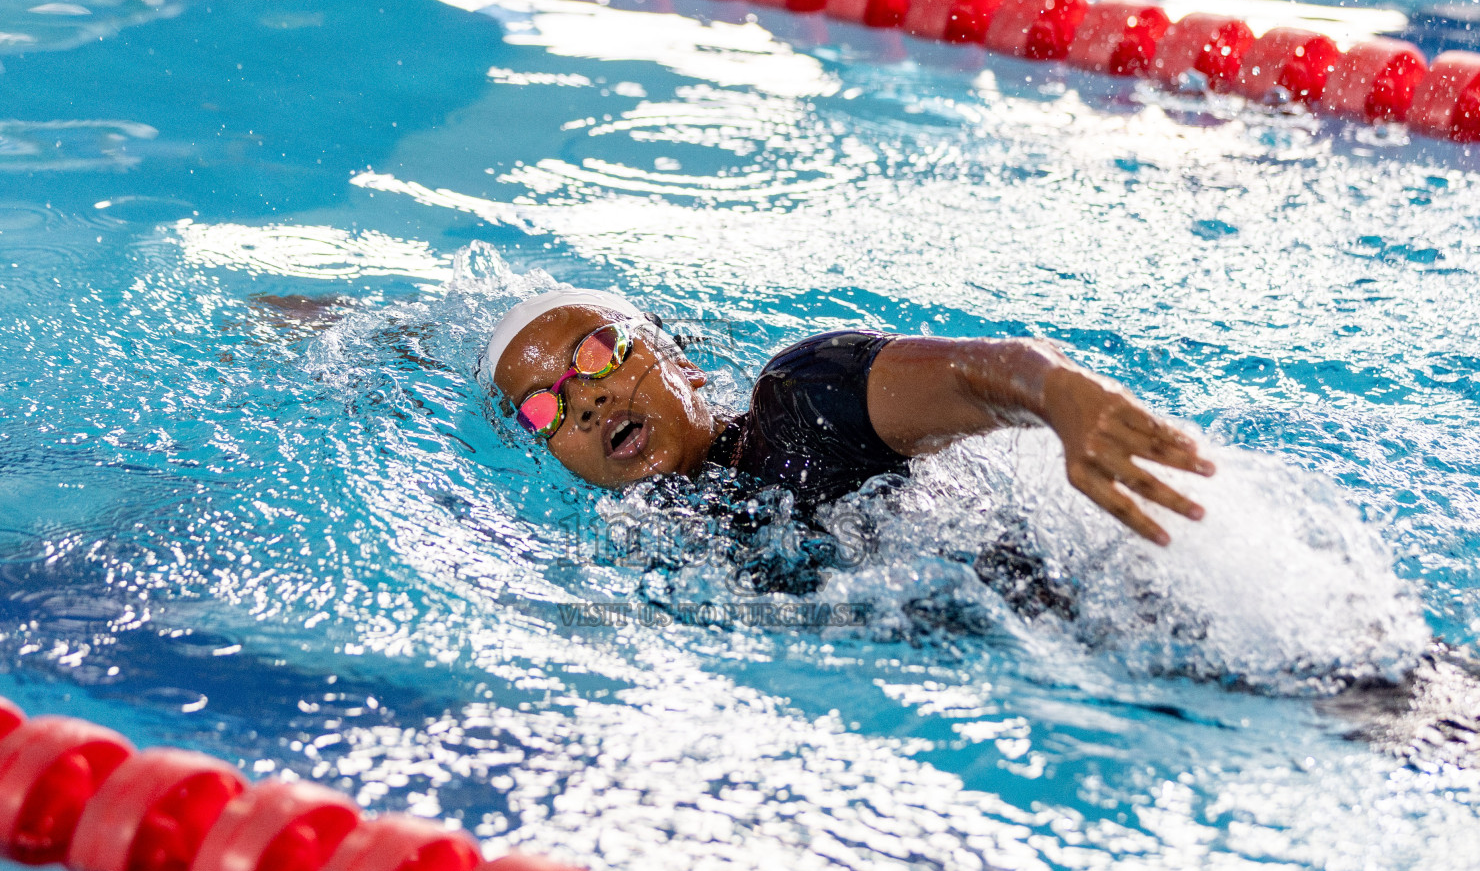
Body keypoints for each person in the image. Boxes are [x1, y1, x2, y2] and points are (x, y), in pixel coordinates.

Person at [487, 288, 1215, 546]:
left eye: (598, 354)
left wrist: (1059, 398)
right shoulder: (641, 544)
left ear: (683, 363)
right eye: (542, 409)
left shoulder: (800, 405)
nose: (584, 399)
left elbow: (976, 371)